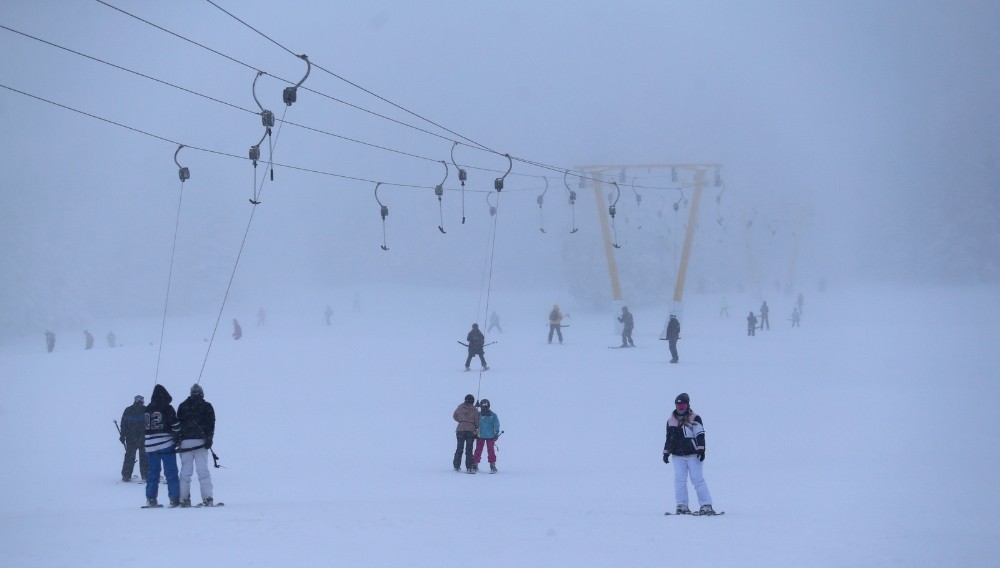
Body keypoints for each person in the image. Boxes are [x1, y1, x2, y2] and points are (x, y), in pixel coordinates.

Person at [662, 392, 716, 515]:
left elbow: (700, 434)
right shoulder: (671, 421)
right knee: (679, 480)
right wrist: (666, 452)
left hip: (693, 455)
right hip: (678, 456)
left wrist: (701, 449)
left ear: (688, 406)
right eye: (678, 407)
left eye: (683, 407)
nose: (681, 409)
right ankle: (682, 505)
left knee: (697, 479)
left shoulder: (694, 418)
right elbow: (669, 438)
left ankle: (706, 505)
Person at [177, 384, 216, 507]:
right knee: (203, 471)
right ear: (202, 393)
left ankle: (183, 499)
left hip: (185, 442)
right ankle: (207, 498)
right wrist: (209, 439)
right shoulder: (207, 406)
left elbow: (178, 424)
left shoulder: (183, 406)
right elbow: (211, 424)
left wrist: (178, 440)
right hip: (201, 442)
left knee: (185, 472)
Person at [143, 384, 181, 508]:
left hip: (149, 445)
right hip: (165, 443)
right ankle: (174, 498)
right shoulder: (167, 408)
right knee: (171, 472)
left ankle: (151, 498)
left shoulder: (147, 408)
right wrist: (176, 437)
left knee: (153, 473)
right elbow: (175, 425)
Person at [120, 395, 148, 482]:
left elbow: (123, 424)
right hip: (143, 437)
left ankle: (126, 475)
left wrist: (122, 435)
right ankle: (145, 475)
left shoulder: (128, 410)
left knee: (129, 456)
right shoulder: (146, 410)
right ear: (142, 401)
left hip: (131, 437)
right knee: (144, 457)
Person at [453, 394, 479, 473]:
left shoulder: (460, 406)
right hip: (470, 430)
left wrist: (461, 421)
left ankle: (456, 466)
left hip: (460, 429)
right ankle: (469, 467)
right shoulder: (474, 409)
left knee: (459, 448)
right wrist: (475, 426)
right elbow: (476, 420)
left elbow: (454, 416)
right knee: (469, 449)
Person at [473, 399, 500, 473]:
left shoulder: (479, 414)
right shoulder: (493, 415)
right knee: (490, 450)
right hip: (490, 436)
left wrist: (474, 431)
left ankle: (475, 464)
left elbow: (475, 423)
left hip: (481, 435)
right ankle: (492, 465)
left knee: (478, 450)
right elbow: (497, 425)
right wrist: (496, 433)